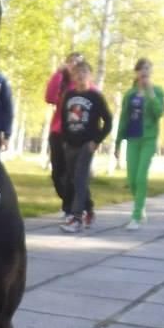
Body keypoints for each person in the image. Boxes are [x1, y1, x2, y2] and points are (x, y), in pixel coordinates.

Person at [58, 60, 112, 234]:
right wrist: (64, 140)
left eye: (84, 72)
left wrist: (96, 141)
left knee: (80, 178)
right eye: (77, 72)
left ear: (90, 76)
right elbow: (63, 119)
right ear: (73, 76)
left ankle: (76, 218)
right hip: (70, 144)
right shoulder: (68, 95)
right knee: (73, 179)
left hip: (86, 145)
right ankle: (89, 210)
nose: (80, 75)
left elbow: (108, 121)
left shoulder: (96, 97)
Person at [115, 58, 164, 230]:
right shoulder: (130, 94)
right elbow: (124, 118)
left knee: (141, 177)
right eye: (141, 69)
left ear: (151, 72)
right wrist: (117, 142)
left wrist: (150, 93)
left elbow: (159, 112)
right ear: (136, 72)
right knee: (132, 179)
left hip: (148, 139)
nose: (144, 72)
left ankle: (136, 216)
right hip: (133, 139)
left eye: (147, 69)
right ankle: (140, 204)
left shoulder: (158, 91)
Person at [45, 53, 95, 223]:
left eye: (77, 63)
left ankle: (72, 209)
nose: (73, 65)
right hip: (58, 132)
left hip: (78, 136)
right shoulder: (63, 83)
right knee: (57, 174)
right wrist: (58, 74)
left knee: (73, 174)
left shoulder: (87, 86)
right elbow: (50, 97)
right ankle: (78, 205)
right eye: (70, 62)